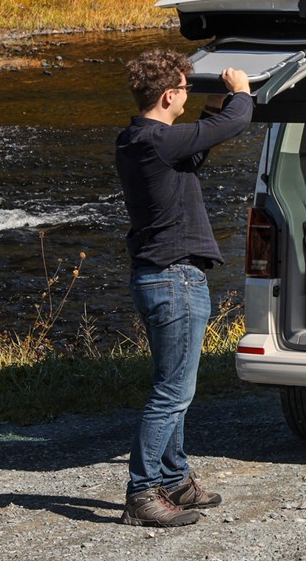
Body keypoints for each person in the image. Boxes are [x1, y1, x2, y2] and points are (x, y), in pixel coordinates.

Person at [115, 47, 253, 528]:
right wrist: (240, 94)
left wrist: (213, 107)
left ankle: (173, 479)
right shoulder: (156, 139)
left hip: (162, 276)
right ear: (170, 94)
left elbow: (195, 147)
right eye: (187, 88)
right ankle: (142, 493)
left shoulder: (139, 138)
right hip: (174, 278)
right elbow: (231, 126)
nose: (188, 95)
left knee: (174, 387)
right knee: (172, 392)